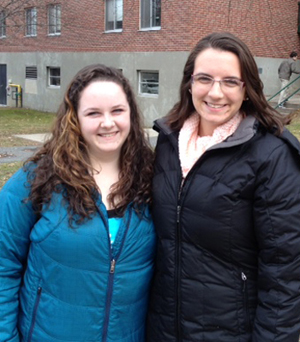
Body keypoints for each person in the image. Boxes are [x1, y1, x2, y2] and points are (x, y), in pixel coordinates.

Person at [147, 32, 300, 342]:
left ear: (247, 90)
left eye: (230, 81)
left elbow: (285, 273)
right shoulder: (167, 142)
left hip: (233, 331)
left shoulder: (272, 155)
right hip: (163, 327)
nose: (215, 93)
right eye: (204, 79)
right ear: (189, 83)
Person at [0, 64, 156, 342]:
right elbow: (3, 267)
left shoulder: (152, 179)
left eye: (117, 111)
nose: (107, 123)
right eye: (93, 113)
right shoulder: (35, 181)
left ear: (131, 113)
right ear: (75, 119)